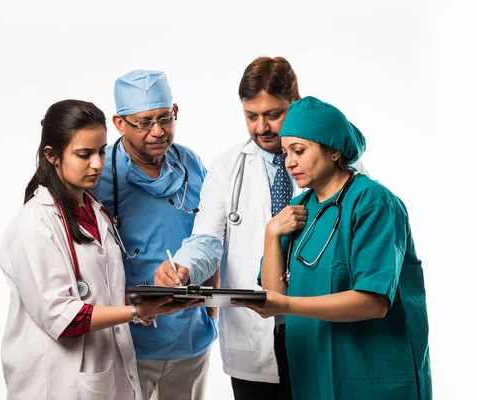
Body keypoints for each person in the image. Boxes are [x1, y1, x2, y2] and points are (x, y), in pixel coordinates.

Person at [153, 56, 368, 399]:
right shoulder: (226, 168)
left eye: (273, 115)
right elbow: (207, 241)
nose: (261, 128)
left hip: (321, 326)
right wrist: (184, 266)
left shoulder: (335, 163)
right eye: (251, 116)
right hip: (256, 335)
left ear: (296, 105)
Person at [0, 99, 197, 400]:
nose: (98, 164)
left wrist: (147, 301)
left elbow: (97, 291)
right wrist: (134, 311)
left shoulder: (95, 211)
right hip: (57, 383)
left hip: (102, 376)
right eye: (84, 154)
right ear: (51, 156)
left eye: (102, 151)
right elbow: (64, 318)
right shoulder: (36, 224)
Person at [236, 96, 432, 400]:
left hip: (373, 377)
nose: (289, 162)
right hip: (314, 375)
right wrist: (272, 233)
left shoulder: (372, 202)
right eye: (286, 152)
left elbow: (373, 302)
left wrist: (285, 306)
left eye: (299, 151)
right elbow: (275, 293)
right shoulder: (299, 208)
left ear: (334, 152)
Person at [89, 70, 218, 400]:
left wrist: (213, 306)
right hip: (127, 341)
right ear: (119, 124)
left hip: (190, 336)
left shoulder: (192, 164)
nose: (158, 131)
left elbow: (213, 231)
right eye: (144, 122)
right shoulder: (99, 176)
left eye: (165, 118)